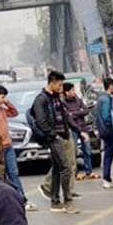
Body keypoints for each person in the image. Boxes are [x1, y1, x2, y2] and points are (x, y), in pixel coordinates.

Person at [30, 71, 79, 213]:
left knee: (57, 169)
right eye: (59, 85)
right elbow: (41, 120)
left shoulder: (57, 97)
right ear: (52, 83)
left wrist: (77, 129)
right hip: (53, 138)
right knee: (66, 168)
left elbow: (65, 116)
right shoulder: (41, 99)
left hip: (62, 135)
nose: (61, 87)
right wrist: (53, 135)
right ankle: (68, 202)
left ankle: (55, 201)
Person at [0, 86, 34, 211]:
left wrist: (7, 102)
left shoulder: (1, 108)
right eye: (2, 97)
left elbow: (14, 112)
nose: (4, 99)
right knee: (2, 175)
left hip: (8, 145)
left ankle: (21, 199)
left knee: (14, 174)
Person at [62, 83, 96, 180]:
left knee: (87, 150)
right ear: (66, 92)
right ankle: (75, 173)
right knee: (74, 151)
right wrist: (78, 112)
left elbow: (86, 111)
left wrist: (74, 113)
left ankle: (89, 171)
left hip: (83, 127)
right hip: (73, 129)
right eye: (72, 90)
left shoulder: (78, 100)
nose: (74, 92)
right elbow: (68, 116)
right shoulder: (63, 103)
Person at [95, 78, 113, 188]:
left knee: (108, 156)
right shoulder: (106, 100)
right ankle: (112, 178)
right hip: (110, 131)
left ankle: (107, 178)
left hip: (104, 131)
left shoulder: (101, 99)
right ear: (110, 86)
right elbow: (106, 117)